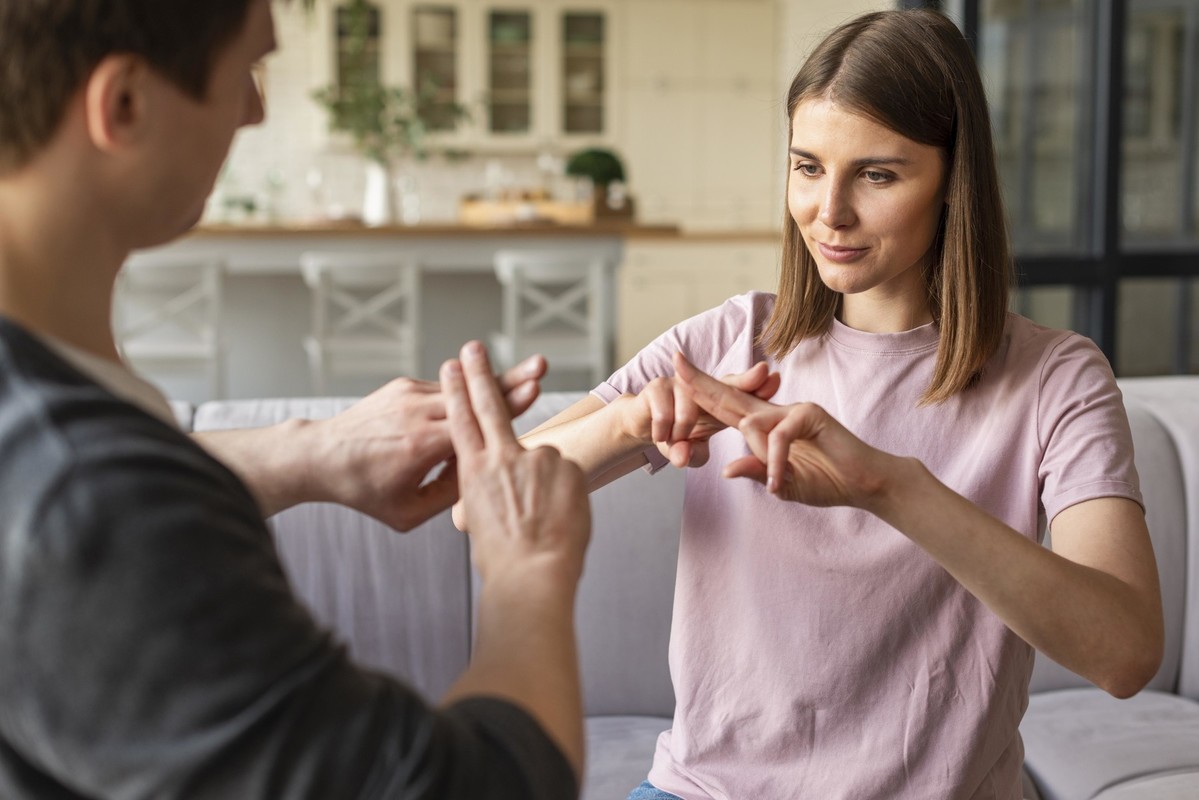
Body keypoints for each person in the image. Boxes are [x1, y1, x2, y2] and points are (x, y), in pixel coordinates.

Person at [488, 9, 1164, 799]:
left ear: (953, 181)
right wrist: (631, 420)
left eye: (877, 174)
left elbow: (1122, 655)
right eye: (806, 168)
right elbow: (482, 507)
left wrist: (888, 487)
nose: (828, 211)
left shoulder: (1055, 378)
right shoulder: (729, 342)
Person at [0, 1, 591, 798]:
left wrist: (308, 453)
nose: (257, 109)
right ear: (124, 105)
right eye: (246, 69)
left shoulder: (60, 454)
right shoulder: (95, 499)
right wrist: (527, 564)